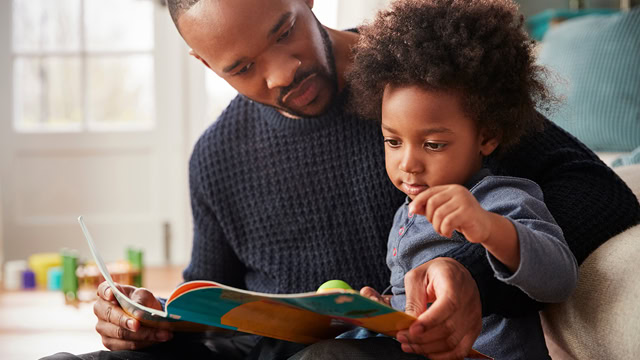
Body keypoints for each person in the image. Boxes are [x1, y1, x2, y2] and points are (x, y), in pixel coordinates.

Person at [43, 0, 640, 359]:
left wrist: (477, 285)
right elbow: (211, 306)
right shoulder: (215, 156)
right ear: (205, 65)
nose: (282, 72)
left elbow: (600, 195)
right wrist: (143, 324)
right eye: (243, 67)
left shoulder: (424, 89)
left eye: (283, 31)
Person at [337, 0, 578, 358]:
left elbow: (560, 279)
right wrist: (381, 308)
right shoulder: (405, 217)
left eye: (433, 144)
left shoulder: (499, 198)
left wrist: (489, 228)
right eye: (393, 141)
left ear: (487, 137)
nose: (408, 163)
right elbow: (417, 311)